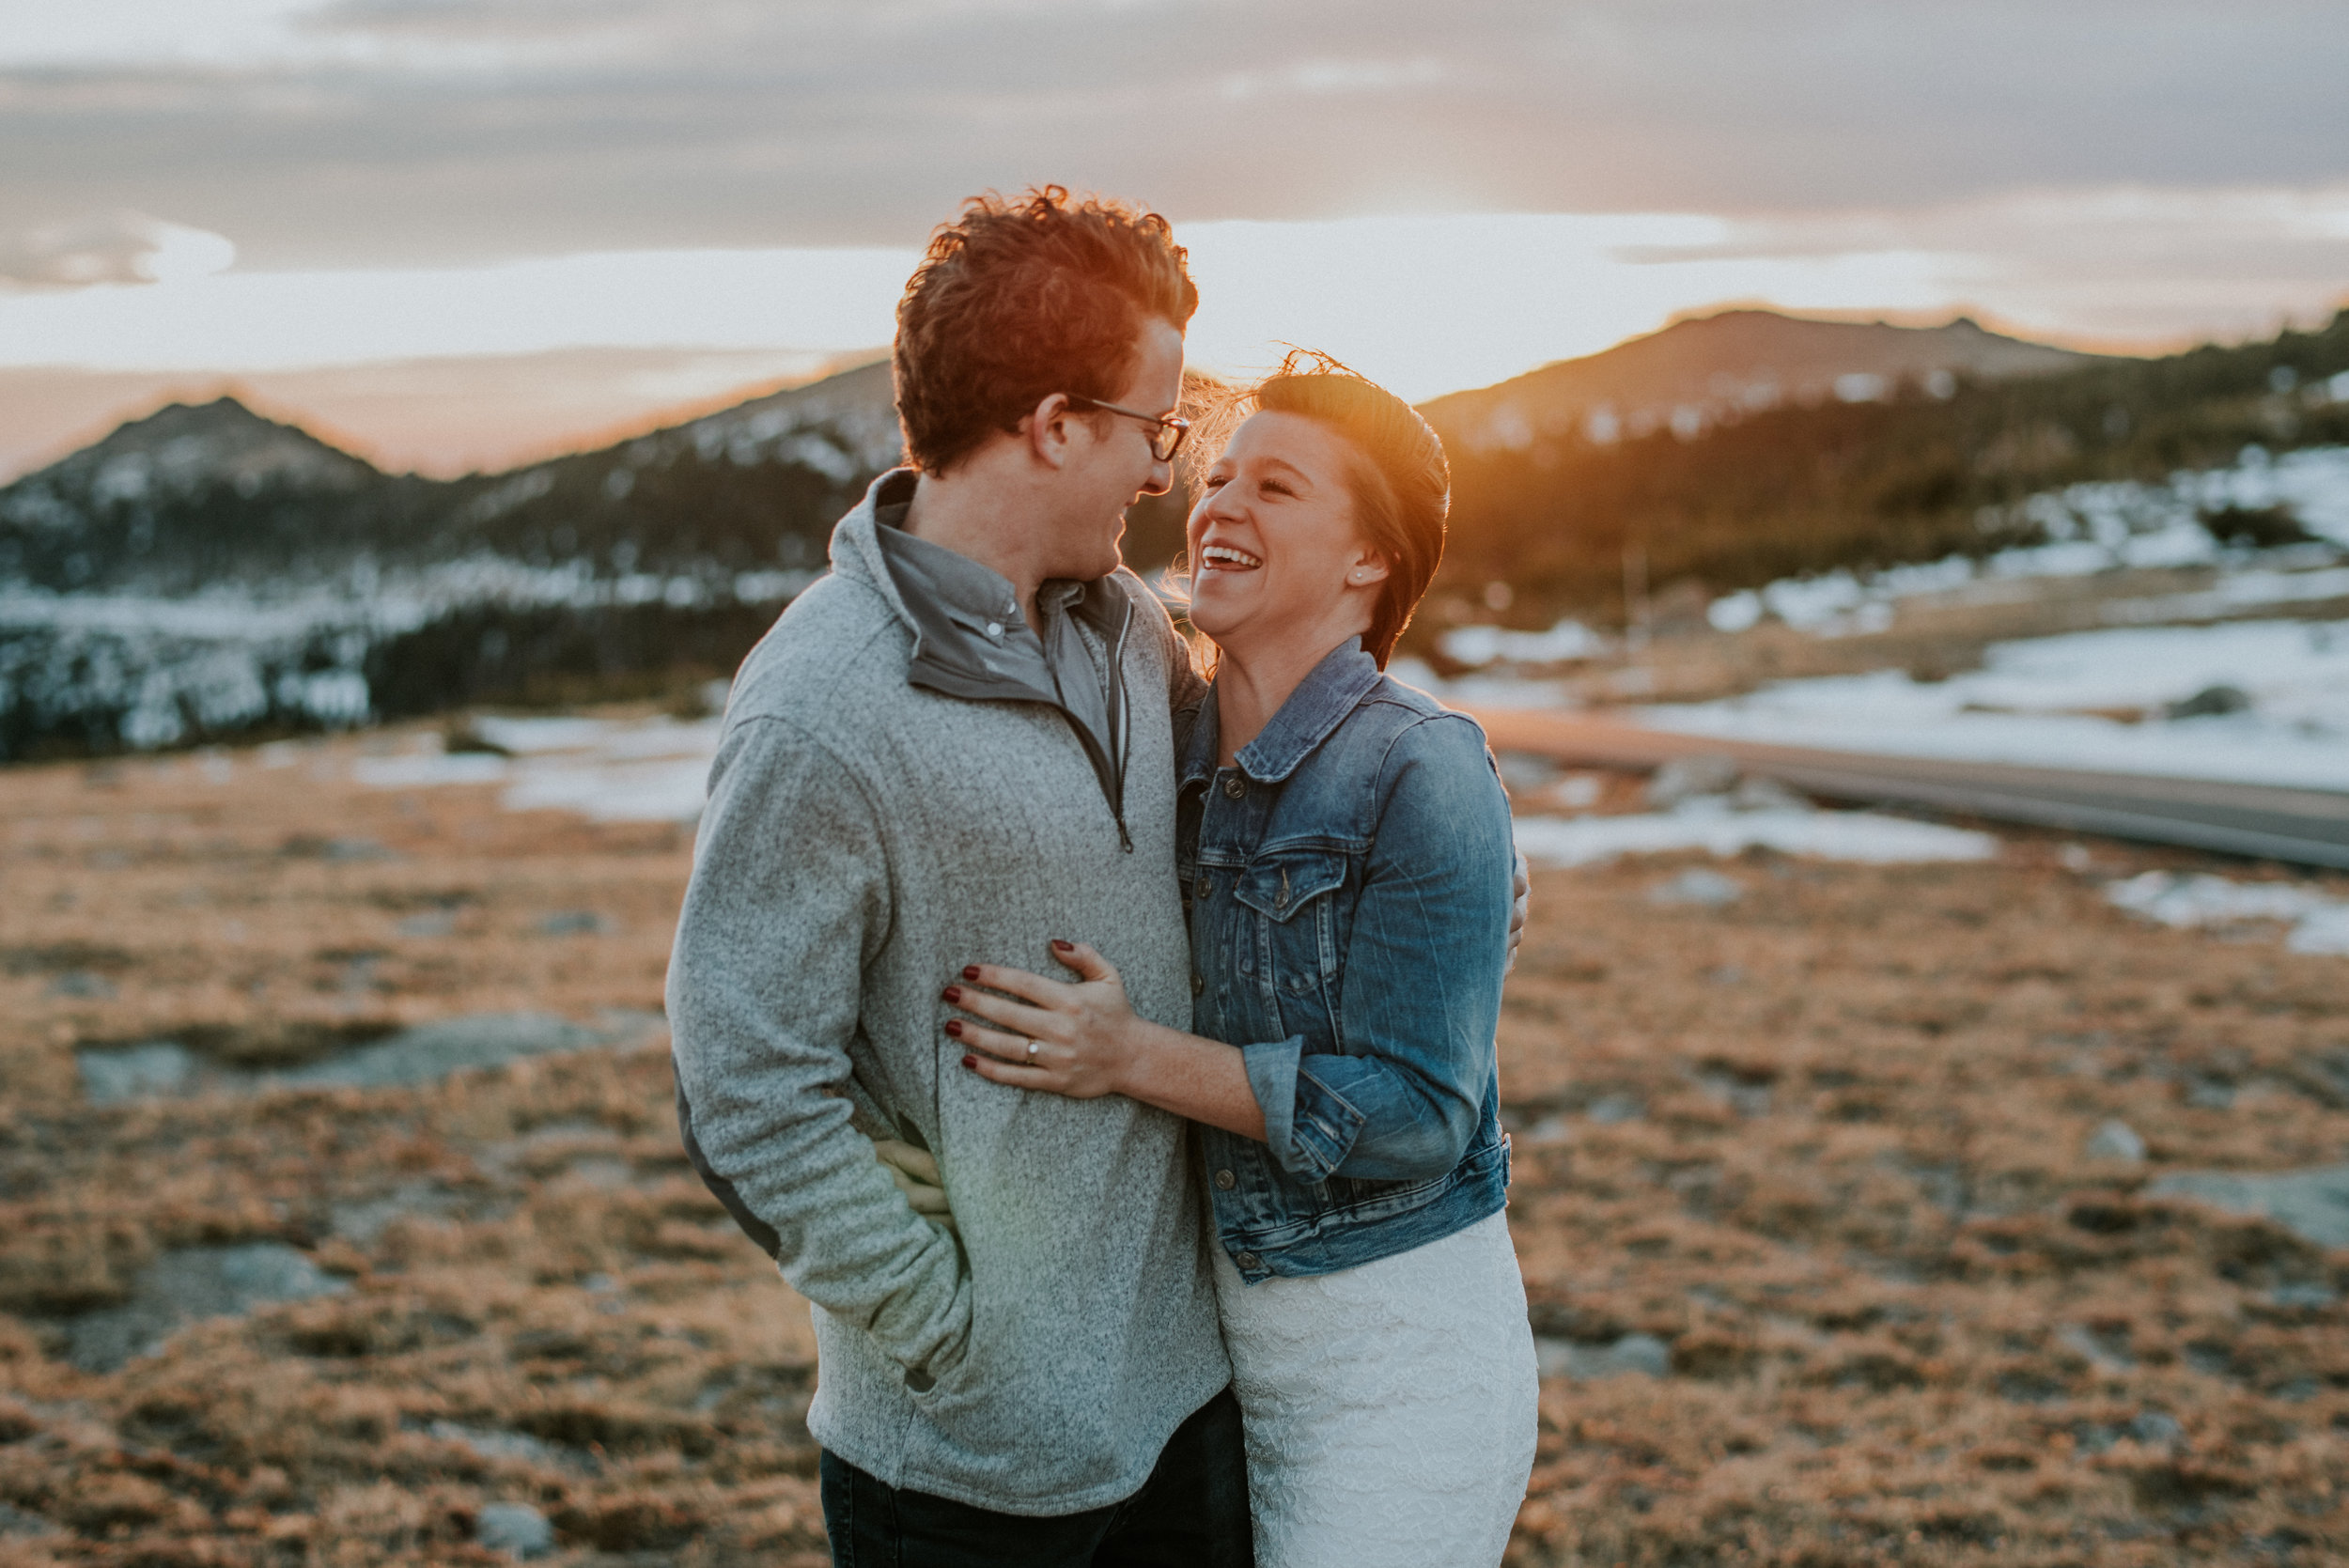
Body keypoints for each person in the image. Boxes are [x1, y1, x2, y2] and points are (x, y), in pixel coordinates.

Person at [664, 187, 1252, 1567]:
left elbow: (1245, 824)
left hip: (1182, 1403)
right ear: (1054, 425)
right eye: (1152, 432)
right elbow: (745, 1086)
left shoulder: (1126, 634)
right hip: (970, 1472)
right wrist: (948, 1334)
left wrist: (1425, 857)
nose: (1164, 475)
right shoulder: (821, 712)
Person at [943, 352, 1540, 1567]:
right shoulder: (1166, 737)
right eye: (1219, 477)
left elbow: (1423, 1110)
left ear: (1369, 560)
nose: (1218, 507)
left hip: (1398, 1346)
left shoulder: (1420, 770)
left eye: (1277, 488)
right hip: (1214, 1356)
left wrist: (1130, 1057)